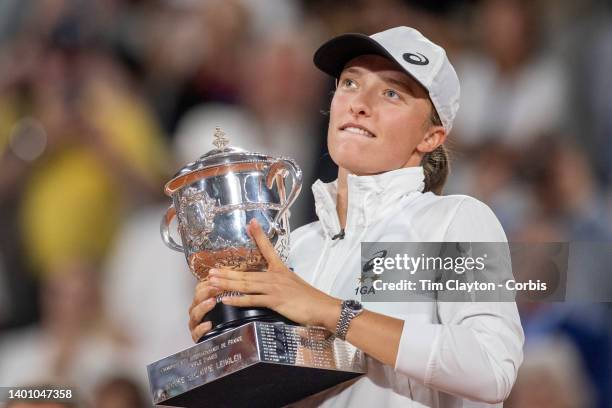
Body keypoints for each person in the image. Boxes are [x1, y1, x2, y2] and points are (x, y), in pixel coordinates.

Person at [188, 26, 524, 407]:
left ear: (431, 137)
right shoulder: (295, 248)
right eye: (349, 83)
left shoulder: (455, 220)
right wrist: (227, 341)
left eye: (391, 93)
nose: (359, 103)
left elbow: (492, 369)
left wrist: (332, 313)